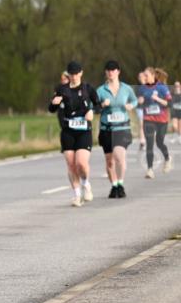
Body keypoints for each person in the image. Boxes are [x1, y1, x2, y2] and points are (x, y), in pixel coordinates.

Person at [49, 61, 99, 207]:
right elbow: (51, 108)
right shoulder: (61, 89)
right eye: (71, 74)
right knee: (71, 165)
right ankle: (77, 195)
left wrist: (92, 111)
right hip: (68, 131)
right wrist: (55, 103)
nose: (74, 76)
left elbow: (98, 105)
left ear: (81, 73)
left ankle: (86, 184)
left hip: (84, 131)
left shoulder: (88, 88)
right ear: (68, 74)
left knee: (81, 163)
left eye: (76, 73)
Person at [96, 60, 138, 198]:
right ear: (105, 72)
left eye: (113, 70)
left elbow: (135, 100)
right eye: (108, 70)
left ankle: (120, 183)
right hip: (106, 129)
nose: (110, 72)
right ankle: (114, 186)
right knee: (109, 160)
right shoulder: (101, 90)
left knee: (119, 157)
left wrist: (131, 106)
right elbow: (93, 108)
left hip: (122, 127)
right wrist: (102, 104)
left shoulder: (126, 88)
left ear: (118, 71)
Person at [137, 67, 173, 178]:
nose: (144, 78)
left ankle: (167, 158)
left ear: (153, 76)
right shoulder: (142, 88)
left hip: (162, 119)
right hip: (148, 119)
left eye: (146, 75)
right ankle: (150, 170)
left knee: (159, 142)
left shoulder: (162, 87)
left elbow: (169, 103)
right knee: (149, 144)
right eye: (144, 76)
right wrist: (140, 101)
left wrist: (157, 99)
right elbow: (140, 103)